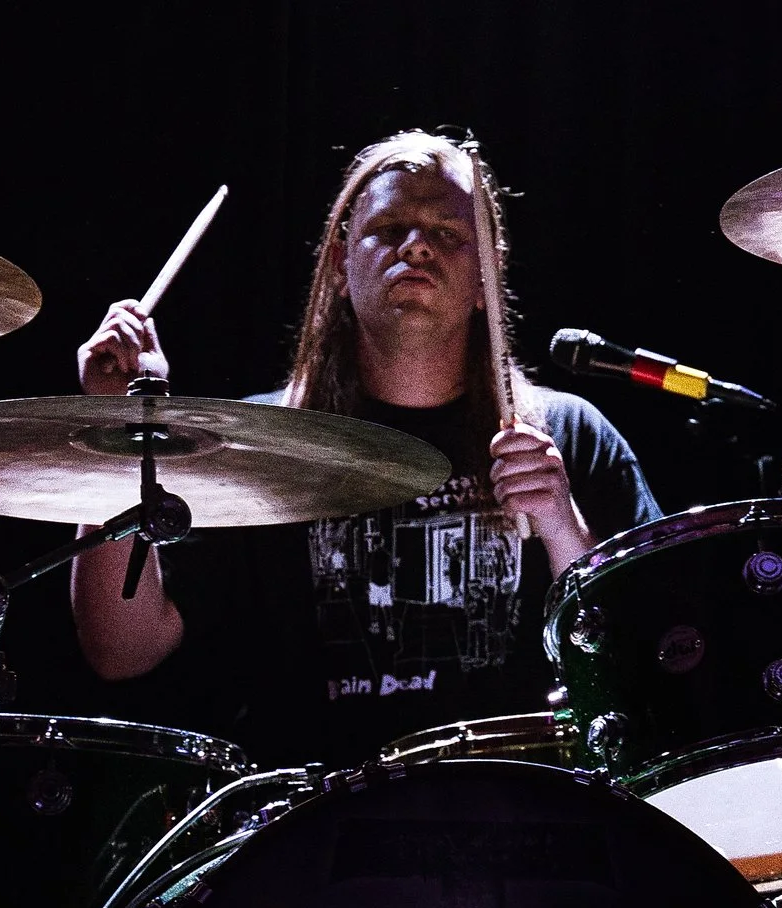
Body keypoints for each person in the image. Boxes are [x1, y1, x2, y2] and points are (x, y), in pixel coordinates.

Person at [67, 129, 660, 768]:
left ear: (487, 277)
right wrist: (120, 424)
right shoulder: (255, 449)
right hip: (320, 813)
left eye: (449, 234)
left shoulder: (571, 437)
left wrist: (564, 530)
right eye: (388, 229)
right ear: (340, 265)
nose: (418, 246)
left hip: (525, 804)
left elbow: (650, 657)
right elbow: (121, 651)